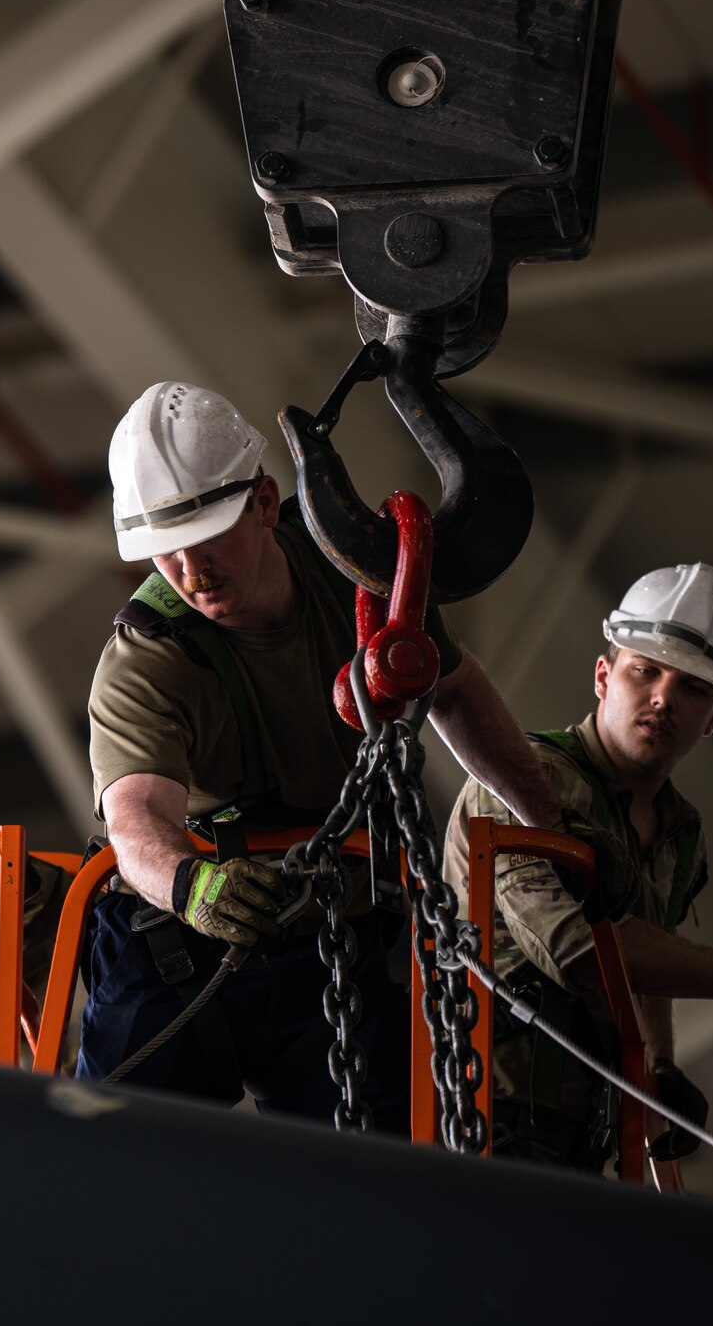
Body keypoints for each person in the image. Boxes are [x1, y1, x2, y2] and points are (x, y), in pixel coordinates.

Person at [78, 380, 583, 1131]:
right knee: (111, 1148)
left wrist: (552, 827)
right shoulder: (149, 656)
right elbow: (136, 817)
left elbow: (453, 688)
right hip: (182, 945)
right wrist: (191, 884)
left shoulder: (356, 574)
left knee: (387, 1174)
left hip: (341, 933)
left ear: (263, 500)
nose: (188, 570)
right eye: (165, 552)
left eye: (206, 535)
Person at [439, 563, 713, 1170]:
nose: (663, 697)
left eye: (693, 689)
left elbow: (646, 949)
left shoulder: (680, 835)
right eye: (646, 671)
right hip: (483, 1108)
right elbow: (577, 952)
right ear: (604, 676)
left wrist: (659, 1063)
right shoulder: (523, 782)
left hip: (585, 1124)